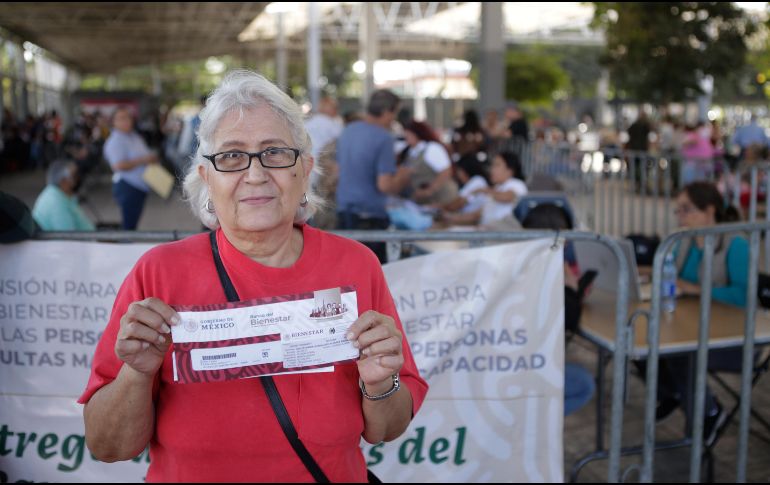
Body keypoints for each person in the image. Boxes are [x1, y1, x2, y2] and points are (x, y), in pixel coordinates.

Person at [79, 70, 428, 482]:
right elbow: (108, 446)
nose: (256, 174)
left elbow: (387, 428)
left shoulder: (355, 265)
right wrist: (136, 373)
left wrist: (378, 382)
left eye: (275, 153)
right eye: (231, 156)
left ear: (305, 170)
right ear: (207, 178)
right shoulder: (160, 273)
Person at [651, 181, 745, 447]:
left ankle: (708, 411)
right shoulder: (683, 241)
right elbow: (673, 278)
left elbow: (742, 295)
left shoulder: (735, 243)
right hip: (692, 323)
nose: (680, 216)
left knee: (681, 352)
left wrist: (695, 289)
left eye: (687, 209)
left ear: (709, 211)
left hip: (732, 334)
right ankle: (675, 393)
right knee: (643, 342)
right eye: (678, 210)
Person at [520, 203, 595, 416]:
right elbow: (570, 319)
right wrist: (571, 288)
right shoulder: (547, 269)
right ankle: (528, 424)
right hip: (521, 370)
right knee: (584, 385)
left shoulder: (517, 263)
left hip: (500, 364)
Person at [335, 89, 412, 263]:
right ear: (386, 112)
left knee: (348, 275)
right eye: (395, 113)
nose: (394, 119)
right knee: (371, 278)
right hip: (370, 218)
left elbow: (338, 169)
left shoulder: (348, 131)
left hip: (344, 212)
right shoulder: (384, 138)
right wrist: (402, 177)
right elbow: (384, 185)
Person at [103, 106, 159, 230]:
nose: (127, 121)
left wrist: (151, 158)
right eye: (122, 118)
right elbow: (118, 165)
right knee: (129, 226)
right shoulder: (115, 140)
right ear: (113, 122)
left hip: (140, 185)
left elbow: (145, 153)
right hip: (128, 186)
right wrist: (144, 160)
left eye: (128, 117)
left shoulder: (134, 136)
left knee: (133, 223)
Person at [442, 151, 527, 227]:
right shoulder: (497, 188)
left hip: (503, 229)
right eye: (492, 165)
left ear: (510, 170)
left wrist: (483, 190)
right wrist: (451, 218)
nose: (492, 169)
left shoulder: (516, 184)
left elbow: (507, 197)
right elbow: (477, 215)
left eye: (497, 165)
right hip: (487, 230)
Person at [398, 120, 458, 206]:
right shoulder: (409, 152)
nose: (406, 137)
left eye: (408, 135)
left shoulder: (432, 148)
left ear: (417, 134)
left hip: (441, 197)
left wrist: (429, 191)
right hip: (424, 200)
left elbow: (446, 172)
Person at [31, 159, 95, 231]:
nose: (77, 179)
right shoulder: (56, 202)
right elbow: (68, 236)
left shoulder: (59, 194)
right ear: (63, 181)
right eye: (74, 176)